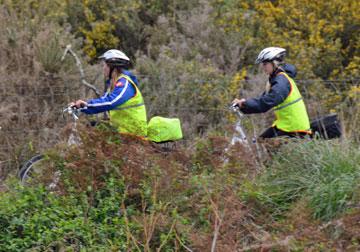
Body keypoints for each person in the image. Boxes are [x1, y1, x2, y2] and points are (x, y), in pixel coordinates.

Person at [232, 47, 311, 138]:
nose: (263, 67)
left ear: (274, 63)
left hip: (295, 129)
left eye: (265, 64)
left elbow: (268, 101)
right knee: (261, 142)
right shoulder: (275, 79)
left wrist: (246, 104)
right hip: (285, 125)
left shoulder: (282, 80)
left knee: (263, 146)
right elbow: (262, 100)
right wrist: (243, 105)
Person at [70, 49, 147, 137]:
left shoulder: (125, 83)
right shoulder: (114, 84)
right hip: (121, 130)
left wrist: (88, 106)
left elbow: (111, 102)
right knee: (91, 125)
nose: (103, 68)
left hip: (133, 133)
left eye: (105, 65)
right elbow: (104, 100)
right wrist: (83, 106)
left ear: (113, 67)